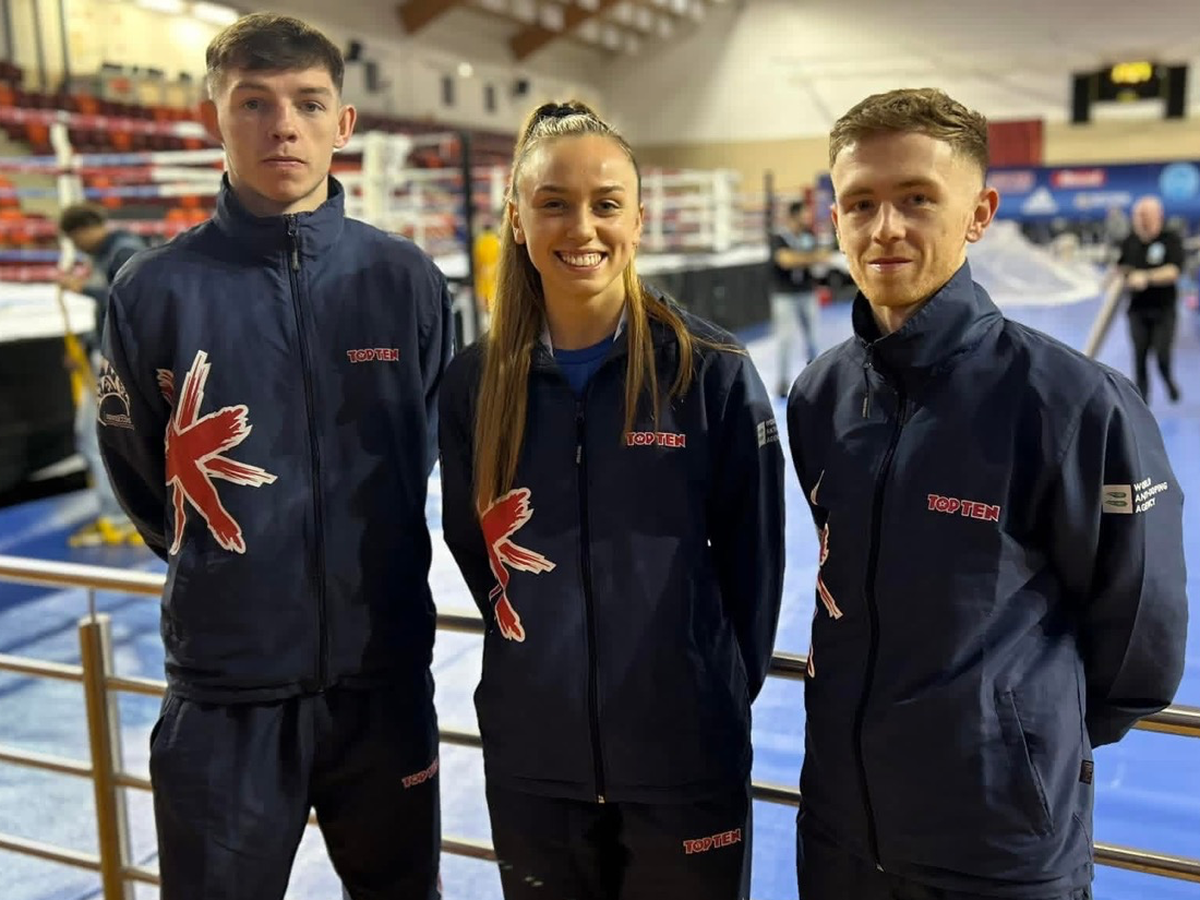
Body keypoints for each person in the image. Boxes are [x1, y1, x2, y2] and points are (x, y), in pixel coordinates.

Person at [785, 88, 1188, 900]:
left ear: (979, 214)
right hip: (838, 831)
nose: (884, 227)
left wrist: (1013, 747)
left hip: (996, 850)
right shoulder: (820, 394)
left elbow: (1139, 645)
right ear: (835, 218)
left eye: (916, 199)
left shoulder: (1072, 404)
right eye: (860, 203)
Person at [95, 14, 452, 900]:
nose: (282, 126)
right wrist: (231, 576)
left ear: (344, 123)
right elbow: (140, 475)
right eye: (253, 103)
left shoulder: (405, 279)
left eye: (307, 103)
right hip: (225, 691)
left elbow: (424, 447)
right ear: (214, 118)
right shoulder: (154, 289)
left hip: (382, 680)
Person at [438, 100, 785, 900]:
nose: (582, 228)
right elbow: (475, 550)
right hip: (534, 766)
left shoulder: (710, 370)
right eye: (554, 203)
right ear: (517, 220)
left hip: (683, 759)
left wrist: (698, 691)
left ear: (638, 220)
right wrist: (542, 665)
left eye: (605, 204)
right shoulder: (474, 383)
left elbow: (755, 567)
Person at [57, 203, 146, 546]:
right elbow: (107, 311)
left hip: (118, 359)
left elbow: (131, 299)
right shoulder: (107, 254)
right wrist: (84, 345)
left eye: (74, 239)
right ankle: (129, 512)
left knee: (97, 436)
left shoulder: (123, 250)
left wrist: (82, 289)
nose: (76, 247)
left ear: (81, 231)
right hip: (110, 354)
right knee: (107, 436)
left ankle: (120, 516)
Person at [1116, 195, 1185, 403]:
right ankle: (1142, 402)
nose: (1139, 219)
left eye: (1143, 215)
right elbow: (1121, 267)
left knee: (1162, 356)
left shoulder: (1170, 239)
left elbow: (1173, 271)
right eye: (1137, 215)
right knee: (1140, 356)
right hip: (1137, 309)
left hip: (1164, 309)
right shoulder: (1130, 241)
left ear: (1157, 215)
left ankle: (1168, 381)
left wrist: (1146, 277)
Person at [769, 199, 828, 397]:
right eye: (804, 214)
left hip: (807, 292)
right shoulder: (779, 237)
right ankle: (782, 382)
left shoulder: (808, 235)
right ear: (794, 216)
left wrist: (800, 258)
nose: (807, 217)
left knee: (812, 338)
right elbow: (784, 260)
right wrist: (809, 257)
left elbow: (822, 257)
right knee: (784, 339)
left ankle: (815, 379)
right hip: (785, 295)